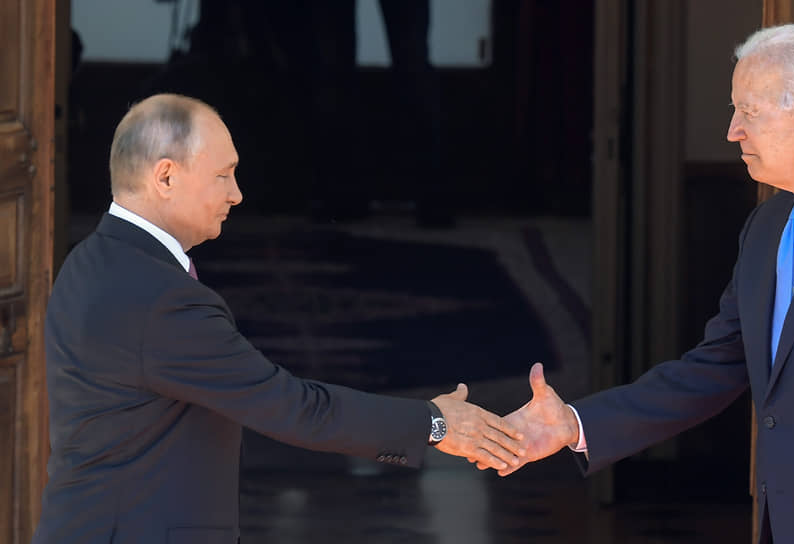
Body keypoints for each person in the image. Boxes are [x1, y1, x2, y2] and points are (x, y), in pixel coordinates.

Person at [492, 24, 794, 544]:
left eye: (748, 111)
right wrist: (575, 424)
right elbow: (714, 367)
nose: (732, 131)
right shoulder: (767, 225)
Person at [32, 94, 524, 544]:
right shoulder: (161, 299)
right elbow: (294, 408)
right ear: (165, 177)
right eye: (223, 175)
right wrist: (435, 424)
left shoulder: (87, 261)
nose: (237, 194)